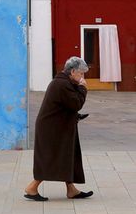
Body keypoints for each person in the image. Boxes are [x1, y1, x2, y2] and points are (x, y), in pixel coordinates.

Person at [24, 57, 93, 201]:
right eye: (81, 74)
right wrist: (83, 88)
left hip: (59, 127)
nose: (82, 77)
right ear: (72, 71)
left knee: (67, 156)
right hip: (51, 129)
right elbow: (76, 103)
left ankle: (71, 189)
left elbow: (66, 106)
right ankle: (32, 188)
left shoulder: (64, 82)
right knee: (51, 158)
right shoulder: (61, 84)